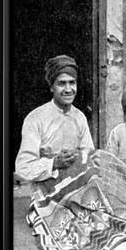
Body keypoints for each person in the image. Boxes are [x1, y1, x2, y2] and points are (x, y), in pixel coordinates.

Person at [15, 54, 94, 183]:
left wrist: (80, 157)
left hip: (75, 190)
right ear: (52, 87)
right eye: (62, 84)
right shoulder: (35, 119)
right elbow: (23, 169)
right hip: (44, 194)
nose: (68, 89)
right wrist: (54, 163)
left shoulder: (80, 117)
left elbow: (90, 156)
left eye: (72, 83)